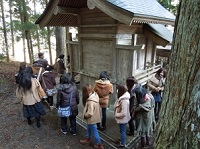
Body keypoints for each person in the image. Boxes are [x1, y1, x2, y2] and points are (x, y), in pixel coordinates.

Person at [80, 84, 104, 149]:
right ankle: (88, 138)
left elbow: (90, 113)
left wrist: (85, 115)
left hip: (91, 119)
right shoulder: (95, 95)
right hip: (95, 117)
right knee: (88, 127)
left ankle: (99, 144)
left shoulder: (90, 101)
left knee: (95, 131)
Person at [114, 84, 131, 148]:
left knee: (122, 131)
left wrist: (116, 114)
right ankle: (122, 141)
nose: (117, 90)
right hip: (123, 119)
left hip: (123, 119)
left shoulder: (124, 100)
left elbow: (124, 113)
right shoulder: (124, 97)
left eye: (118, 89)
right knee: (122, 131)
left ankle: (122, 144)